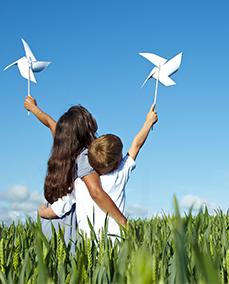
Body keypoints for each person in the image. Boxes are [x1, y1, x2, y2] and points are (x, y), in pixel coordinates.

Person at [37, 104, 158, 239]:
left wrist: (42, 212)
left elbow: (61, 206)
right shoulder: (121, 173)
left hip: (88, 242)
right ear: (117, 162)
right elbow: (137, 144)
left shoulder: (79, 183)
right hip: (115, 239)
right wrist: (148, 122)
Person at [24, 96, 127, 242]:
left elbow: (49, 122)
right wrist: (123, 222)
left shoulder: (62, 144)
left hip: (49, 217)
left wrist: (33, 108)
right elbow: (95, 191)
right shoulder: (85, 156)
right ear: (84, 131)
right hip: (67, 220)